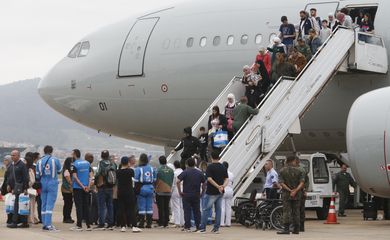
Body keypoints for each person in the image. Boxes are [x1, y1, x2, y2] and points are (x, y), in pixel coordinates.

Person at [198, 150, 229, 234]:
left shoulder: (210, 167)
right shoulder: (223, 167)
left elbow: (209, 179)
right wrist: (222, 186)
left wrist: (217, 186)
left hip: (211, 192)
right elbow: (227, 179)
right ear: (219, 157)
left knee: (206, 209)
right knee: (218, 210)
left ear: (211, 157)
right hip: (220, 192)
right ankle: (216, 229)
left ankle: (202, 228)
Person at [36, 145, 62, 231]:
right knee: (49, 204)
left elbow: (37, 175)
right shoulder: (55, 160)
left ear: (44, 151)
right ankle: (48, 224)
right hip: (52, 183)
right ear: (51, 151)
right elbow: (59, 171)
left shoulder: (39, 161)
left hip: (43, 184)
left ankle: (44, 223)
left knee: (43, 203)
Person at [277, 156, 305, 235]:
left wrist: (290, 190)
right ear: (293, 161)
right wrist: (295, 190)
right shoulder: (300, 171)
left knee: (286, 211)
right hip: (297, 194)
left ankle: (286, 229)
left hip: (286, 194)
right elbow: (302, 182)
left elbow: (281, 183)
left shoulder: (282, 171)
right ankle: (296, 229)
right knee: (296, 211)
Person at [177, 157, 206, 232]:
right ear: (195, 164)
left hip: (186, 194)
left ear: (187, 164)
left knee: (187, 211)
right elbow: (204, 183)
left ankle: (187, 227)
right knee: (197, 211)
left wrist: (180, 191)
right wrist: (202, 192)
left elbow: (177, 181)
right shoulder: (199, 172)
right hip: (196, 194)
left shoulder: (185, 172)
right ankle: (198, 226)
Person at [116, 156, 141, 232]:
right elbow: (134, 177)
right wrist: (129, 166)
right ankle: (134, 226)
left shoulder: (118, 172)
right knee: (131, 209)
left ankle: (123, 226)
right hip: (129, 192)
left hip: (120, 192)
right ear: (128, 162)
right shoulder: (130, 171)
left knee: (121, 209)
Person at [94, 150, 117, 230]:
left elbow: (97, 173)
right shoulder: (113, 164)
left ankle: (101, 223)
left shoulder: (101, 163)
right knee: (110, 205)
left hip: (102, 187)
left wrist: (96, 183)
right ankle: (111, 223)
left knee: (101, 206)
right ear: (108, 156)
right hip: (110, 187)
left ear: (101, 156)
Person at [6, 150, 29, 228]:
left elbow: (25, 177)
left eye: (14, 155)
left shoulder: (22, 165)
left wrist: (25, 188)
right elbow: (9, 176)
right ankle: (21, 222)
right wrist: (9, 184)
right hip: (14, 188)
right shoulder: (11, 165)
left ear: (18, 156)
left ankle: (17, 222)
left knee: (20, 205)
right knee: (16, 205)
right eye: (11, 155)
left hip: (21, 188)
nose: (12, 156)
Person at [70, 149, 92, 231]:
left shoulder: (74, 164)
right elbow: (90, 176)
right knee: (86, 206)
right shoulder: (87, 163)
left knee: (79, 206)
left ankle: (79, 225)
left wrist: (82, 186)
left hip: (78, 188)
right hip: (86, 188)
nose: (72, 155)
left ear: (75, 154)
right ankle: (88, 225)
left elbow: (75, 177)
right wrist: (88, 186)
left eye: (72, 154)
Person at [134, 153, 157, 228]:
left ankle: (141, 223)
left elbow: (136, 180)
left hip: (142, 188)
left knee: (142, 206)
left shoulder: (138, 169)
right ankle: (149, 223)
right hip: (150, 188)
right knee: (149, 206)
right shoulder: (151, 168)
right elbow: (154, 179)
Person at [155, 155, 174, 228]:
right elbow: (172, 180)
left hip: (159, 191)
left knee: (160, 208)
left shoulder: (158, 170)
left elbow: (155, 180)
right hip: (168, 191)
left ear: (159, 161)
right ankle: (166, 223)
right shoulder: (171, 170)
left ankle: (161, 223)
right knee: (166, 207)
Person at [85, 153, 98, 225]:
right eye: (91, 158)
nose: (92, 159)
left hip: (86, 187)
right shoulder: (89, 167)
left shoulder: (87, 167)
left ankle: (87, 218)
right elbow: (92, 179)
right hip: (90, 188)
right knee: (91, 205)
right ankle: (90, 219)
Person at [25, 153, 39, 224]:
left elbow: (32, 180)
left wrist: (27, 186)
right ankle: (31, 218)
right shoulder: (29, 169)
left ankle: (31, 219)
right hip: (29, 190)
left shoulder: (30, 169)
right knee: (29, 205)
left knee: (30, 205)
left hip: (29, 190)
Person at [170, 160, 184, 228]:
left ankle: (177, 222)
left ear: (174, 166)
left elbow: (173, 184)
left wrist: (171, 191)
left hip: (176, 189)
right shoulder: (183, 172)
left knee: (176, 206)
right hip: (183, 189)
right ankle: (182, 222)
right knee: (181, 206)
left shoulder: (174, 173)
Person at [297, 157, 309, 232]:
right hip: (301, 192)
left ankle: (299, 226)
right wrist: (305, 190)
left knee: (298, 210)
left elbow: (306, 181)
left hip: (299, 192)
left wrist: (304, 190)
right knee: (301, 210)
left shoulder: (301, 170)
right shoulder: (302, 170)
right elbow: (307, 182)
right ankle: (301, 227)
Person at [220, 161, 234, 227]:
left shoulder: (222, 173)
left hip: (224, 189)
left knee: (222, 207)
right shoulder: (231, 173)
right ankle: (228, 223)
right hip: (230, 190)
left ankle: (222, 223)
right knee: (228, 207)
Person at [61, 157, 74, 224]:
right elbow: (69, 180)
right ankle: (66, 217)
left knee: (68, 203)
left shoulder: (66, 170)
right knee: (68, 204)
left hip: (66, 189)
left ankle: (67, 217)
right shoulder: (66, 170)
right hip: (66, 189)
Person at [1, 155, 12, 224]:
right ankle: (9, 219)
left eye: (6, 160)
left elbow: (9, 180)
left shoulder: (11, 168)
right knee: (8, 206)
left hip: (10, 190)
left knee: (10, 206)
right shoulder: (7, 168)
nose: (4, 161)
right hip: (7, 190)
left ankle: (10, 219)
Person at [32, 152, 42, 224]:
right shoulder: (35, 167)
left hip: (35, 188)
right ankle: (39, 218)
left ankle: (34, 217)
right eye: (39, 158)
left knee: (34, 204)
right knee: (39, 204)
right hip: (36, 188)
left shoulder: (33, 167)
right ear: (36, 159)